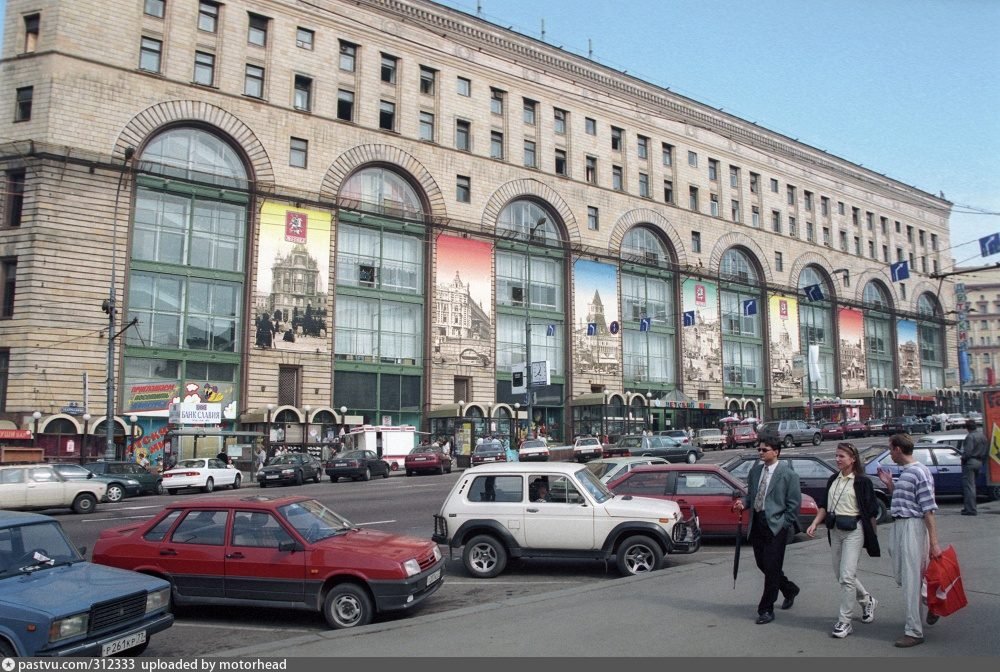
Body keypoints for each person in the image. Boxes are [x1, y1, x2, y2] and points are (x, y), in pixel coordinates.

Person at [806, 442, 881, 639]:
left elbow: (871, 511)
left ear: (853, 459)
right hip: (835, 531)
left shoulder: (862, 482)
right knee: (841, 575)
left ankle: (845, 621)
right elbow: (823, 505)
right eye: (837, 456)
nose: (838, 459)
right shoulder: (833, 479)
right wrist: (814, 523)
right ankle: (867, 601)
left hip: (854, 531)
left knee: (847, 576)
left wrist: (872, 536)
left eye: (842, 456)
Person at [877, 433, 943, 648]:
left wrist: (934, 543)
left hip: (912, 526)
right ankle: (931, 600)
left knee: (912, 578)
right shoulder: (906, 472)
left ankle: (914, 630)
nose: (889, 452)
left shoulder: (919, 472)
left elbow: (928, 509)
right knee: (904, 575)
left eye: (890, 448)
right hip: (900, 525)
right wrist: (890, 486)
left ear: (898, 449)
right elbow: (906, 500)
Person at [732, 441, 801, 625]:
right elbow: (752, 496)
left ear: (776, 452)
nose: (760, 453)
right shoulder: (755, 472)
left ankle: (766, 609)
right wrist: (743, 503)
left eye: (764, 450)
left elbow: (794, 505)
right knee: (763, 564)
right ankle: (789, 588)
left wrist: (783, 524)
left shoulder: (788, 475)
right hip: (757, 524)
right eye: (759, 450)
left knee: (771, 568)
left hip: (776, 526)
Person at [960, 419, 987, 515]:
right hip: (979, 462)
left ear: (967, 428)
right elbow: (985, 451)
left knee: (969, 487)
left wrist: (963, 459)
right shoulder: (982, 436)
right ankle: (970, 507)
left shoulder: (970, 437)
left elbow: (967, 452)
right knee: (972, 486)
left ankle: (970, 509)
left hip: (970, 462)